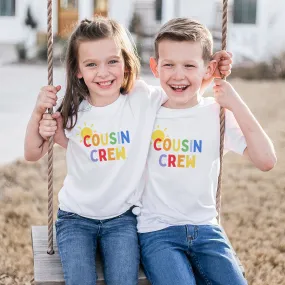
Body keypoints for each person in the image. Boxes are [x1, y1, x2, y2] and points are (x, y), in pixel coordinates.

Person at [24, 17, 232, 285]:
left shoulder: (141, 98)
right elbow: (32, 152)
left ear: (125, 62)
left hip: (122, 220)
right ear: (78, 70)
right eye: (91, 64)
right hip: (75, 219)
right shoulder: (72, 109)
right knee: (81, 280)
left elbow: (182, 93)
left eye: (112, 61)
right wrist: (38, 111)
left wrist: (211, 71)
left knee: (124, 280)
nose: (103, 72)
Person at [137, 18, 277, 285]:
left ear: (208, 68)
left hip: (207, 231)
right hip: (157, 232)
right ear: (155, 67)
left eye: (189, 65)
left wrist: (234, 102)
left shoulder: (217, 114)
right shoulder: (146, 106)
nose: (178, 75)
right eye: (169, 65)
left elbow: (267, 160)